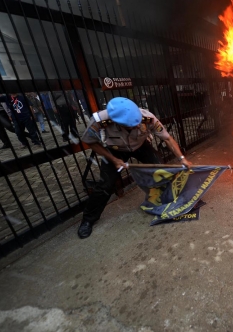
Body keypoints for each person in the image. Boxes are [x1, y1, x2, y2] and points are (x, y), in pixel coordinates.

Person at [78, 97, 192, 239]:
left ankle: (169, 199)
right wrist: (114, 160)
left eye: (138, 123)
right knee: (105, 185)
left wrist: (182, 159)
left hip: (141, 145)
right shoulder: (100, 120)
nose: (137, 126)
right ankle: (88, 219)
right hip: (114, 149)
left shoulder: (147, 117)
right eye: (132, 126)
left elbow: (167, 138)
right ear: (116, 122)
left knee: (161, 170)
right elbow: (90, 142)